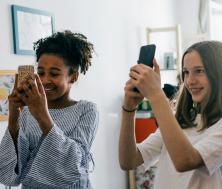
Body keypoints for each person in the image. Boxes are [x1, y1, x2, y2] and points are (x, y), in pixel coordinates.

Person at [0, 30, 99, 189]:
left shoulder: (86, 110)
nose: (45, 80)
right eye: (40, 72)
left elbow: (73, 166)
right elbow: (9, 173)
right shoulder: (27, 111)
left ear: (73, 76)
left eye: (54, 74)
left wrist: (42, 116)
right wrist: (13, 116)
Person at [119, 41, 222, 189]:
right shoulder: (179, 120)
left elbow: (185, 161)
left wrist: (156, 95)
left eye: (199, 71)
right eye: (186, 72)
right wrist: (129, 109)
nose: (190, 81)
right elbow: (129, 161)